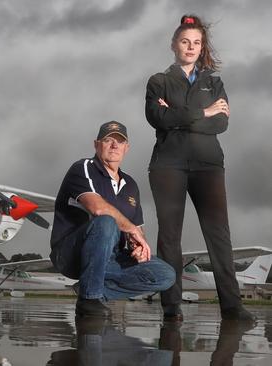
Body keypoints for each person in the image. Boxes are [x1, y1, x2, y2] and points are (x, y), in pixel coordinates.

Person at [145, 14, 255, 322]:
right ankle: (171, 306)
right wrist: (203, 112)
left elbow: (221, 123)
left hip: (208, 165)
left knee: (218, 233)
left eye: (196, 42)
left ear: (201, 46)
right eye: (184, 41)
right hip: (168, 165)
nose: (190, 47)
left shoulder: (213, 82)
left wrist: (181, 116)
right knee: (170, 236)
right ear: (174, 45)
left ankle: (232, 306)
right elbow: (157, 118)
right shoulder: (159, 81)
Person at [50, 121, 175, 318]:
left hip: (110, 258)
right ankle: (90, 300)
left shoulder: (131, 185)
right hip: (70, 254)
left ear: (127, 148)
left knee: (166, 275)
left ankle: (91, 289)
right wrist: (132, 229)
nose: (114, 146)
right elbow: (98, 208)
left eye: (120, 141)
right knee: (106, 222)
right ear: (96, 144)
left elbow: (137, 230)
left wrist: (139, 247)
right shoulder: (83, 167)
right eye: (108, 140)